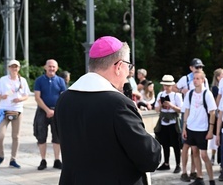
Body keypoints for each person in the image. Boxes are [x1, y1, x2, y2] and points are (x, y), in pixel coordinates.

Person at [54, 36, 161, 184]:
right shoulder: (119, 104)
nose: (127, 74)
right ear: (118, 66)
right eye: (128, 67)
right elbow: (150, 158)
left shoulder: (64, 99)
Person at [0, 60, 30, 168]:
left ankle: (13, 159)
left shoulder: (22, 80)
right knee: (0, 136)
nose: (14, 69)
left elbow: (26, 95)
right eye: (12, 67)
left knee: (16, 136)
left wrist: (20, 99)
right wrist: (2, 97)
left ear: (18, 68)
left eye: (16, 67)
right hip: (4, 110)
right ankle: (1, 156)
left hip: (17, 110)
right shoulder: (3, 80)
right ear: (9, 68)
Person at [182, 70, 217, 185]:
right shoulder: (190, 94)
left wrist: (211, 130)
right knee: (194, 152)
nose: (195, 81)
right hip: (191, 127)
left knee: (204, 154)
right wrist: (184, 128)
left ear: (203, 80)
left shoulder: (207, 93)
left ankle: (211, 179)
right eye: (194, 78)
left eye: (198, 78)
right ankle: (199, 177)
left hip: (202, 128)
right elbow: (186, 110)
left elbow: (212, 112)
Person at [33, 59, 67, 170]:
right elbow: (37, 97)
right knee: (41, 136)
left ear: (56, 68)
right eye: (49, 66)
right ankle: (43, 160)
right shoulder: (39, 80)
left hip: (57, 112)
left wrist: (55, 111)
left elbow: (63, 97)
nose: (51, 68)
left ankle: (57, 160)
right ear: (45, 67)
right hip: (42, 111)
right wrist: (47, 110)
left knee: (57, 137)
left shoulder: (61, 81)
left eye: (53, 67)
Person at [154, 74, 183, 173]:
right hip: (163, 120)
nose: (166, 87)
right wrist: (161, 104)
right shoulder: (160, 94)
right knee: (164, 143)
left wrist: (171, 105)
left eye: (168, 85)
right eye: (165, 85)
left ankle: (178, 164)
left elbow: (181, 110)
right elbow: (156, 109)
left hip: (173, 121)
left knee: (176, 144)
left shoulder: (176, 95)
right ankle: (166, 163)